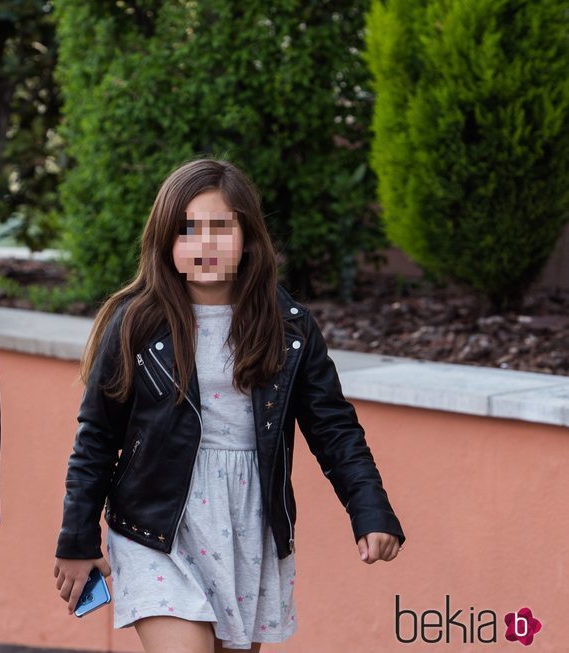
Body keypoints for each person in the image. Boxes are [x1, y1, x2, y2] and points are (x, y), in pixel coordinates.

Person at [53, 159, 404, 652]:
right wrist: (77, 540)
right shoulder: (136, 324)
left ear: (248, 237)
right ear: (164, 243)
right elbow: (95, 438)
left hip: (248, 524)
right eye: (187, 230)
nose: (205, 244)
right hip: (157, 525)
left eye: (221, 227)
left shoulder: (290, 327)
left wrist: (370, 509)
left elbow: (335, 429)